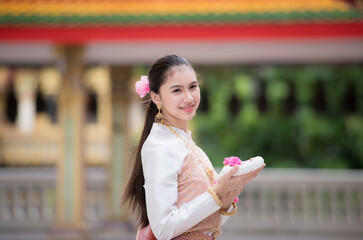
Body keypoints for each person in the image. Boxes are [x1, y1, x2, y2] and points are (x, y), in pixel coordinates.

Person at [123, 55, 265, 240]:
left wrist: (226, 198)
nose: (189, 97)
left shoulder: (184, 141)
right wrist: (216, 193)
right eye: (177, 90)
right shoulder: (159, 147)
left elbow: (206, 225)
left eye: (193, 86)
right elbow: (164, 229)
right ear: (156, 97)